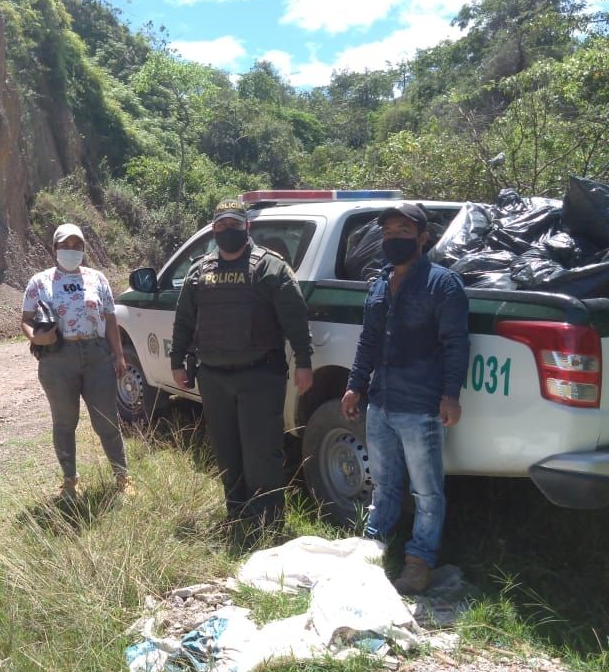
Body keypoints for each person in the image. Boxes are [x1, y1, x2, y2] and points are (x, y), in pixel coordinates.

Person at [340, 202, 469, 594]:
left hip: (422, 405)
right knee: (384, 484)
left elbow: (455, 343)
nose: (394, 238)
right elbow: (369, 340)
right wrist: (355, 384)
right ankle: (375, 544)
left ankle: (419, 561)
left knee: (427, 491)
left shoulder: (443, 284)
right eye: (388, 232)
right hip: (381, 402)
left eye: (403, 231)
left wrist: (451, 395)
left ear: (423, 237)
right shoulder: (379, 284)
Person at [170, 199, 313, 540]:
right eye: (221, 227)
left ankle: (267, 524)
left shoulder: (270, 268)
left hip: (259, 376)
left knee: (261, 453)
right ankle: (236, 515)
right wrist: (177, 361)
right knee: (227, 450)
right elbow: (185, 321)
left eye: (234, 225)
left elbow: (295, 319)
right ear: (213, 230)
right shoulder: (199, 271)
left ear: (246, 227)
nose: (227, 232)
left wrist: (304, 363)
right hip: (214, 377)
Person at [22, 223, 129, 498]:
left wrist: (118, 355)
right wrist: (36, 338)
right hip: (58, 359)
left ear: (83, 248)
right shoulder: (39, 281)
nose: (71, 250)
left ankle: (122, 478)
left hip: (96, 354)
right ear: (54, 249)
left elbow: (110, 317)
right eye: (65, 245)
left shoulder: (97, 279)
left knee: (107, 420)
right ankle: (70, 481)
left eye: (76, 245)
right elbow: (26, 319)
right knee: (64, 422)